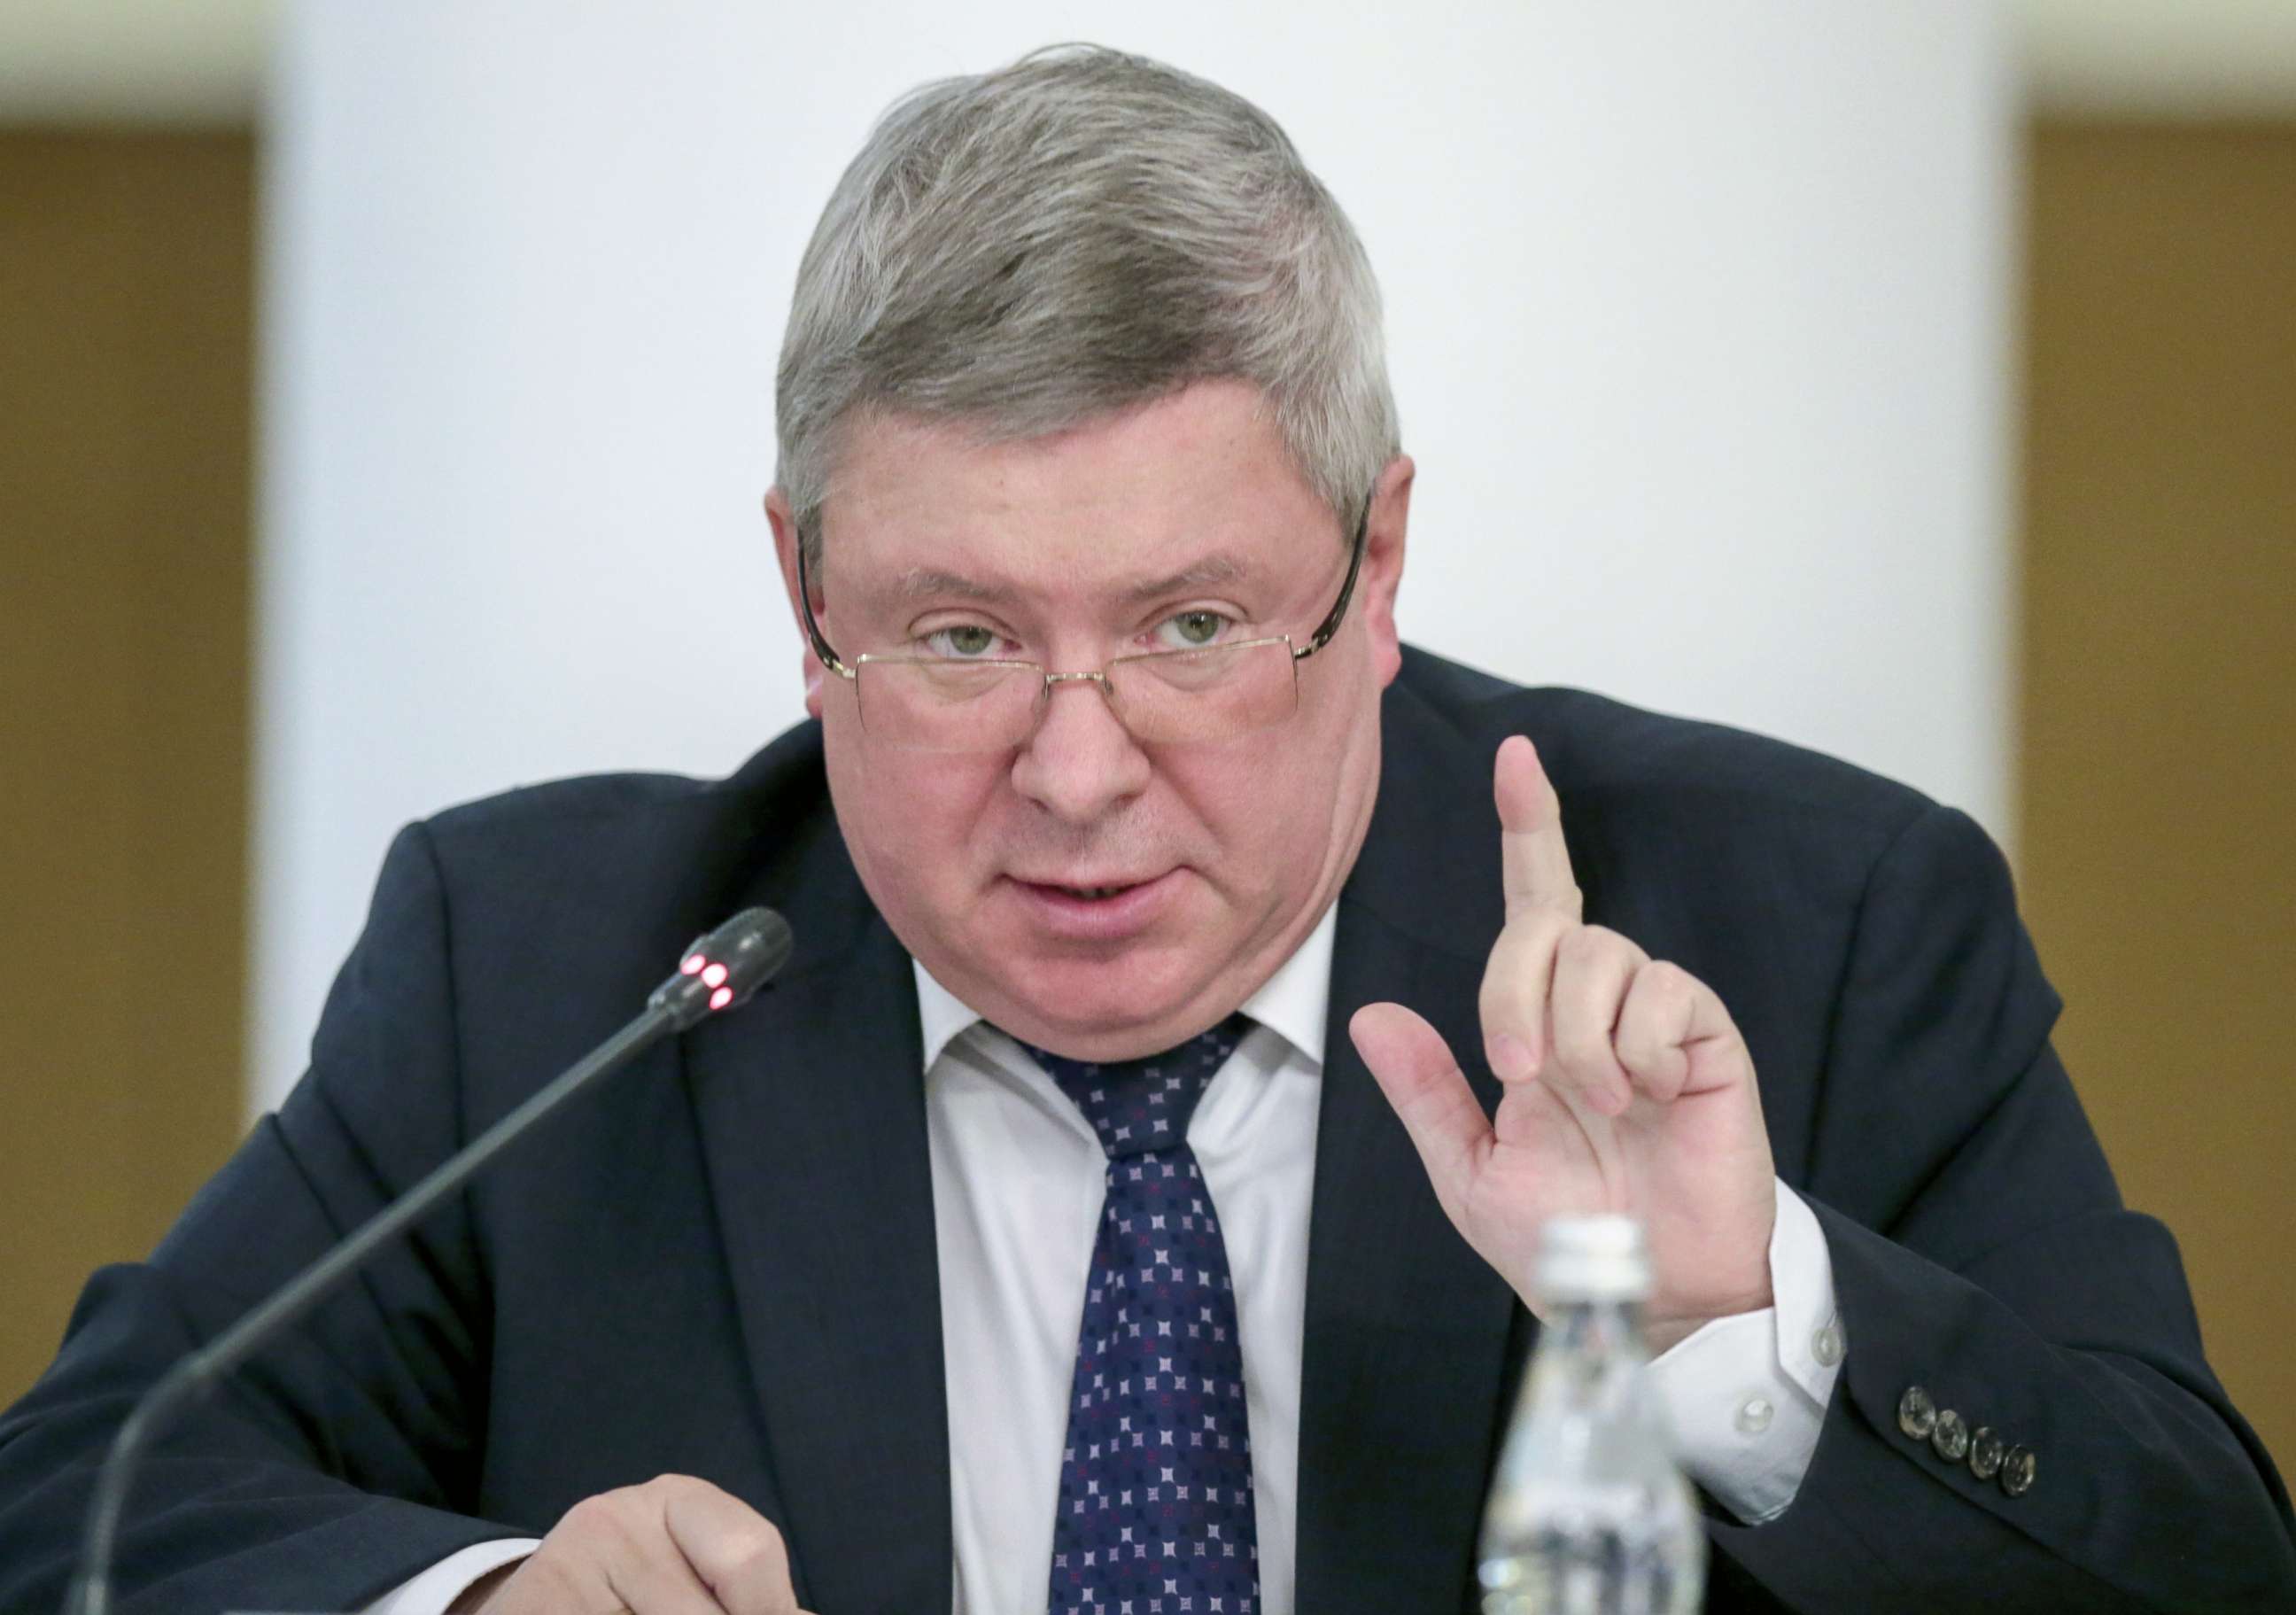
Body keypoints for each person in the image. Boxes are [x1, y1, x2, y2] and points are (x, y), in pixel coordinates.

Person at [3, 43, 2292, 1615]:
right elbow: (83, 1507)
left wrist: (1737, 1317)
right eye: (961, 640)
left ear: (1378, 572)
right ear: (804, 601)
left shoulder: (1805, 924)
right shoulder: (548, 968)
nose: (1079, 774)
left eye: (1195, 625)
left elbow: (2200, 1573)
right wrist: (491, 1597)